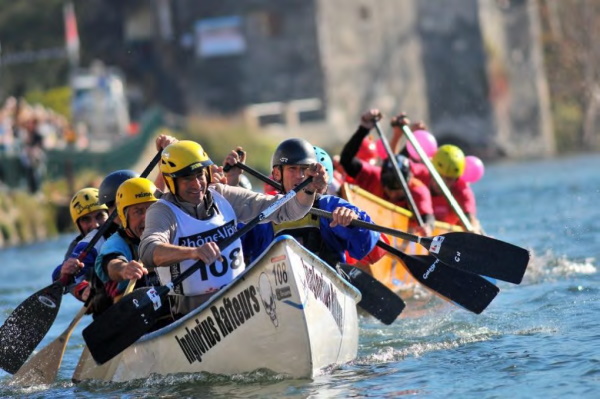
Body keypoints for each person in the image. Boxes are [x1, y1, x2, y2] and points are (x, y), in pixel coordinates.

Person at [139, 140, 327, 316]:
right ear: (171, 181)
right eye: (187, 179)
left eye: (200, 176)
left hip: (241, 304)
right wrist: (193, 252)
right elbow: (148, 252)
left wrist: (308, 189)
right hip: (191, 311)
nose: (197, 185)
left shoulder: (224, 196)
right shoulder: (162, 211)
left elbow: (288, 210)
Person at [224, 138, 383, 268]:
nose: (300, 176)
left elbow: (370, 250)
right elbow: (234, 246)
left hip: (327, 291)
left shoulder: (330, 205)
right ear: (277, 174)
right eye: (292, 169)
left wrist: (353, 224)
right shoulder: (264, 207)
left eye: (305, 169)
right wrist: (231, 186)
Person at [340, 109, 435, 235]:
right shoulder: (375, 176)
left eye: (398, 191)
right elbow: (346, 160)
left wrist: (427, 227)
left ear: (408, 182)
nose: (393, 196)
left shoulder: (418, 189)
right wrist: (364, 128)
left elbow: (428, 217)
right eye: (389, 190)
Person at [92, 178, 161, 315]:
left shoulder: (170, 229)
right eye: (138, 211)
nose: (147, 218)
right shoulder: (115, 243)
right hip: (139, 317)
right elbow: (111, 263)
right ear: (124, 217)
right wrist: (124, 269)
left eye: (152, 209)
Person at [51, 187, 109, 301]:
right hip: (104, 300)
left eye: (99, 216)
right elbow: (67, 281)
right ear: (78, 225)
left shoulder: (122, 231)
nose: (95, 225)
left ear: (109, 214)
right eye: (86, 220)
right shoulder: (76, 247)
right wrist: (83, 291)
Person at [412, 144, 481, 231]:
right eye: (439, 175)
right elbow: (394, 164)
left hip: (447, 234)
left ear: (456, 179)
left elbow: (471, 220)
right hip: (418, 227)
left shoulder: (463, 190)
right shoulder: (420, 172)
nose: (443, 181)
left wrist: (474, 229)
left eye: (449, 179)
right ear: (432, 170)